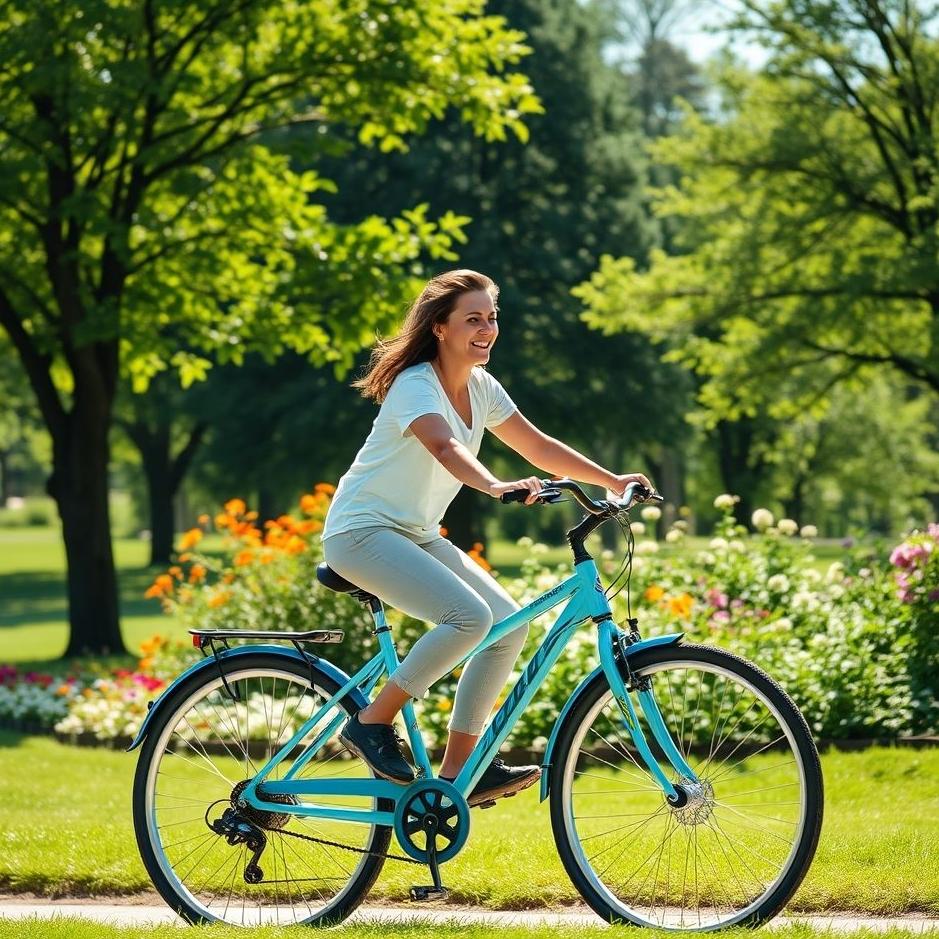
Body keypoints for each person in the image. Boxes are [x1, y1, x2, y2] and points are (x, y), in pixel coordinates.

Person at [322, 269, 653, 806]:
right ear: (440, 329)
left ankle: (459, 776)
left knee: (506, 624)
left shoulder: (481, 386)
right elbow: (445, 448)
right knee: (469, 618)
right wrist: (496, 485)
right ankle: (370, 722)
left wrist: (612, 481)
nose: (487, 328)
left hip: (416, 534)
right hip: (361, 532)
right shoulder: (416, 385)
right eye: (472, 319)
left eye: (492, 317)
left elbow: (539, 447)